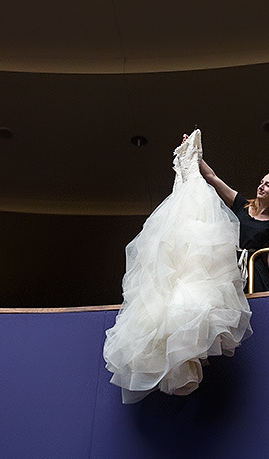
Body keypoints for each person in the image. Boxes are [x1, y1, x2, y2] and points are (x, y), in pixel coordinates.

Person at [104, 129, 252, 403]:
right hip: (185, 205)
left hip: (188, 206)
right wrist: (192, 157)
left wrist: (192, 156)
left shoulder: (211, 187)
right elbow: (208, 176)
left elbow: (206, 177)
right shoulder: (199, 181)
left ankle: (181, 351)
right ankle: (180, 352)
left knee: (189, 265)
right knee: (176, 263)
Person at [185, 133, 269, 293]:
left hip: (254, 272)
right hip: (229, 266)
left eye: (268, 185)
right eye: (261, 182)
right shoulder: (241, 203)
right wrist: (194, 152)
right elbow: (212, 177)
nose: (261, 186)